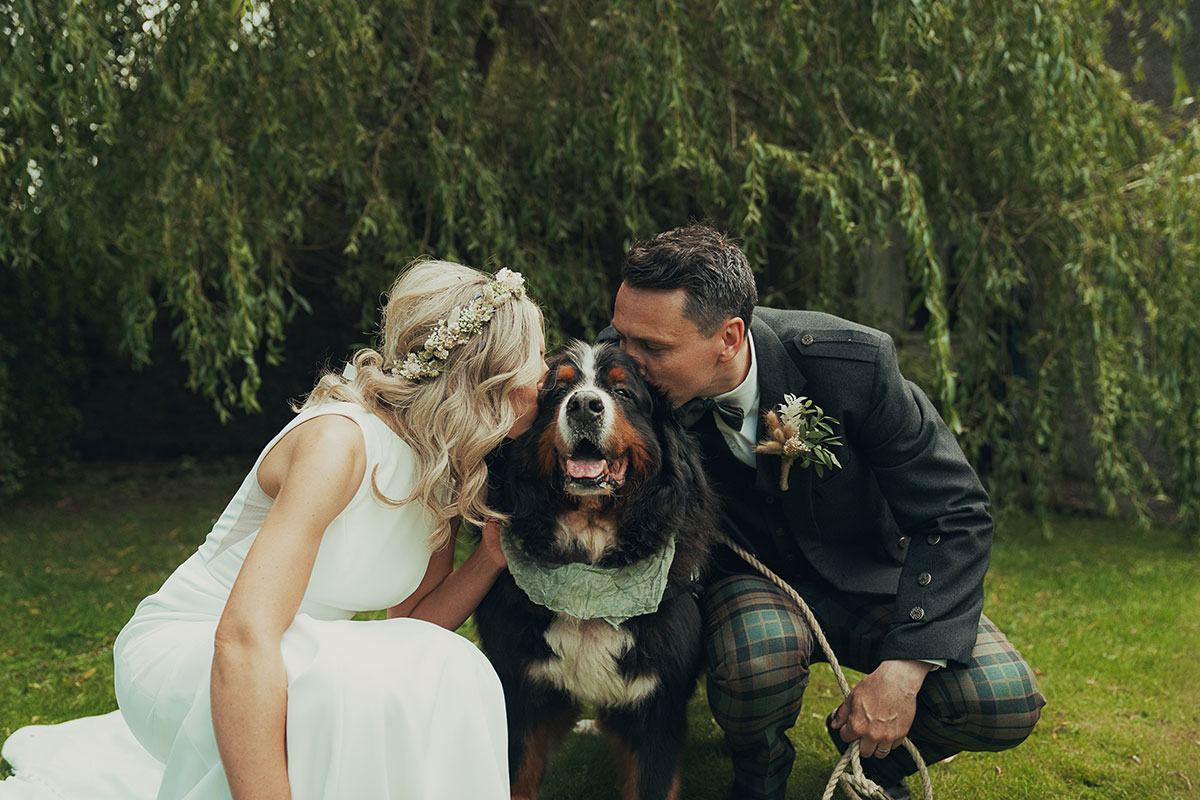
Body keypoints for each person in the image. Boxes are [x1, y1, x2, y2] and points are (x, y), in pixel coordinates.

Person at [0, 260, 548, 800]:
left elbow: (411, 624)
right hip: (199, 649)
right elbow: (241, 639)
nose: (547, 377)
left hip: (302, 660)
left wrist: (489, 559)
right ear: (488, 376)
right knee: (336, 689)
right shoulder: (338, 445)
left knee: (449, 664)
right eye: (538, 358)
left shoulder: (439, 470)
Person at [601, 223, 1045, 800]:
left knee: (1004, 698)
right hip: (749, 582)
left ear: (729, 338)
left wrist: (905, 670)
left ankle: (871, 767)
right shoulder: (619, 371)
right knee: (755, 659)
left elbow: (955, 510)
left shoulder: (852, 365)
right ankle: (758, 780)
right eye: (622, 337)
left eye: (653, 349)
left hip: (870, 576)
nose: (625, 366)